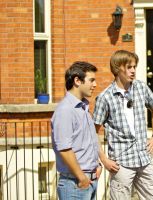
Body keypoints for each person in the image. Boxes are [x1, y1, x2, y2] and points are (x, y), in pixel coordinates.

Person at [93, 50, 153, 200]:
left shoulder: (141, 88)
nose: (133, 71)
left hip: (144, 158)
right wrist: (104, 159)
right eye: (129, 67)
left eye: (134, 67)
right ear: (118, 68)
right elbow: (93, 132)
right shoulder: (105, 97)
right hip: (121, 163)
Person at [51, 61, 102, 200]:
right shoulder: (65, 110)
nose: (95, 85)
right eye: (91, 80)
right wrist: (82, 177)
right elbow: (64, 149)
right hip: (75, 184)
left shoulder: (83, 107)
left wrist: (97, 165)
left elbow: (90, 139)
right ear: (77, 81)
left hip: (88, 182)